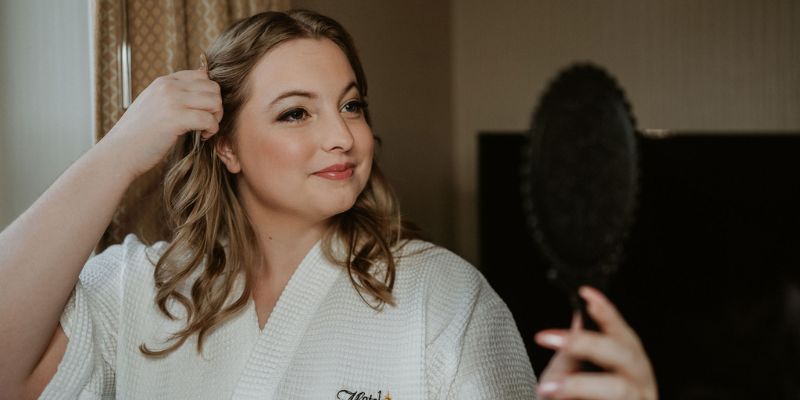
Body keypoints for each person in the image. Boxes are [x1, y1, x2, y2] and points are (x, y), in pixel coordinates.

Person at [0, 9, 655, 399]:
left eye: (351, 105)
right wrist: (117, 152)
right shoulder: (138, 289)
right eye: (295, 113)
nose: (343, 136)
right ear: (225, 147)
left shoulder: (445, 299)